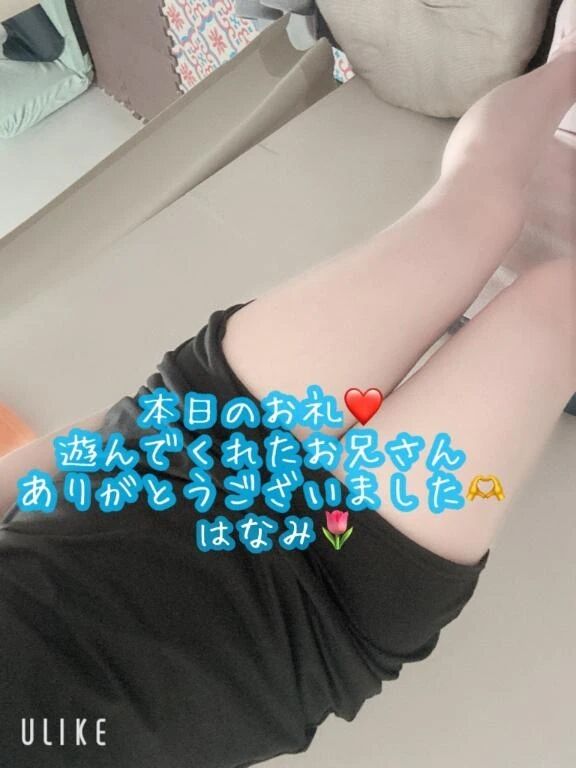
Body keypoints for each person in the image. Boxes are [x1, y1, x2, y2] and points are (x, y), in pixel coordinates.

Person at [0, 4, 574, 766]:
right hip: (320, 610)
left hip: (192, 449)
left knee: (471, 215)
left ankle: (569, 70)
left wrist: (136, 426)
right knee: (556, 308)